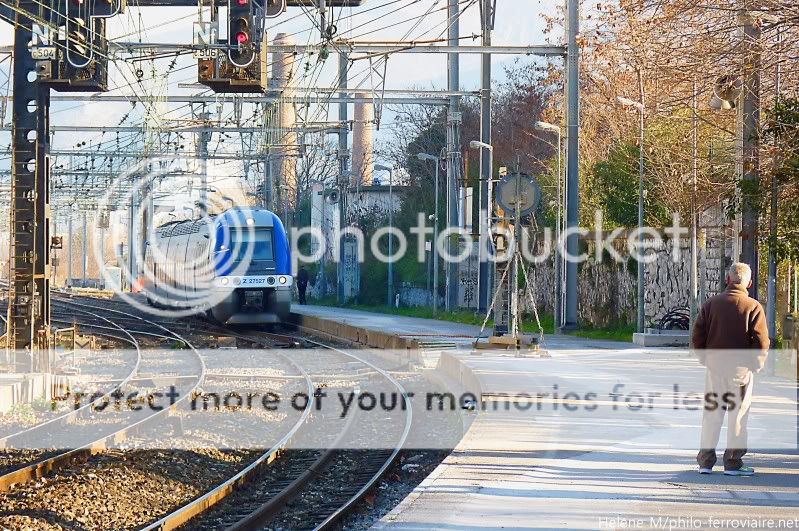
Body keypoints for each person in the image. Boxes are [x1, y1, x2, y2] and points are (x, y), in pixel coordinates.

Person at [691, 262, 769, 476]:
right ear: (749, 283)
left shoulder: (710, 304)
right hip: (741, 372)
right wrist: (756, 364)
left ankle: (705, 463)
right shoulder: (753, 306)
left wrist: (705, 359)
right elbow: (761, 341)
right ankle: (733, 463)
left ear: (727, 280)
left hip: (715, 368)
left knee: (712, 415)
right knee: (738, 415)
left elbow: (697, 336)